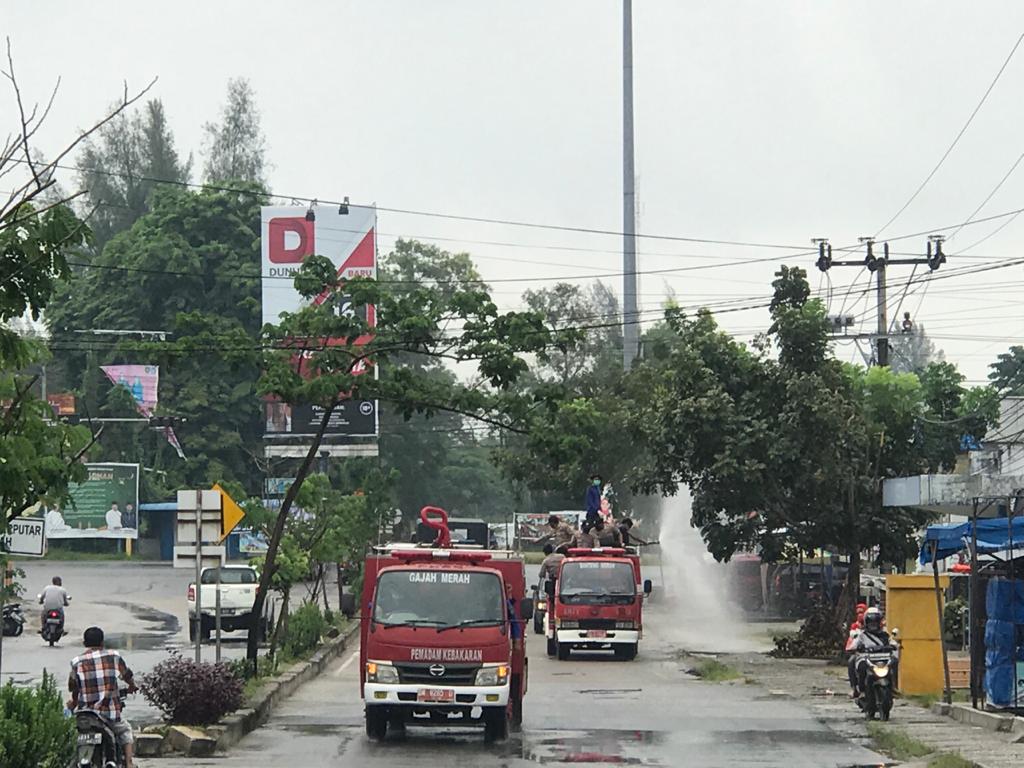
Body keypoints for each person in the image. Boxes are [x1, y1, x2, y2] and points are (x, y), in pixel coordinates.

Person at [68, 626, 137, 768]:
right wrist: (132, 686)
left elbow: (73, 687)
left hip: (85, 716)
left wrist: (74, 702)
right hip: (108, 714)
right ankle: (129, 763)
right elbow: (127, 675)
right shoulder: (114, 656)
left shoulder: (76, 662)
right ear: (102, 642)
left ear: (84, 643)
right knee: (125, 730)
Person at [848, 607, 892, 698]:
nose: (873, 624)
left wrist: (894, 645)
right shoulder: (862, 635)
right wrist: (857, 647)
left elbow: (892, 642)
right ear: (866, 622)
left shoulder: (885, 634)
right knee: (861, 666)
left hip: (882, 657)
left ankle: (893, 687)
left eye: (875, 621)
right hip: (866, 658)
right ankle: (861, 690)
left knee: (894, 662)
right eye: (871, 622)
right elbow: (853, 645)